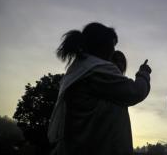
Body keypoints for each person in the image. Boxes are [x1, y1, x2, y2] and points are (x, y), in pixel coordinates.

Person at [48, 22, 151, 155]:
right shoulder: (97, 70)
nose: (114, 51)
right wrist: (144, 73)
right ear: (104, 45)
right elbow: (136, 92)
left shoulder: (79, 70)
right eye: (113, 45)